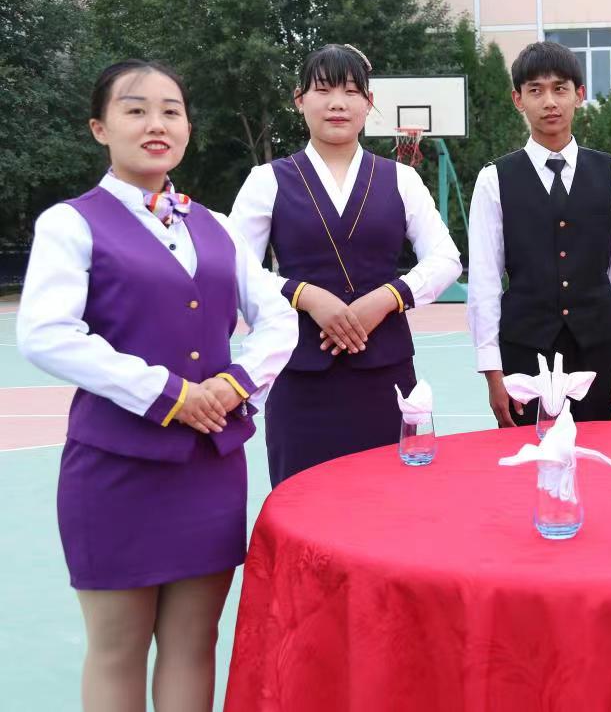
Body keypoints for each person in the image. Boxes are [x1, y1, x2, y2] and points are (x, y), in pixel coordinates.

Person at [16, 60, 298, 711]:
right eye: (135, 109)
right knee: (118, 648)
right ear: (100, 127)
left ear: (188, 128)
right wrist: (170, 393)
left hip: (210, 469)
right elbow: (46, 332)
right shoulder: (70, 224)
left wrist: (236, 383)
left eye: (171, 111)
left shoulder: (217, 226)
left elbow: (279, 317)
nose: (156, 124)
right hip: (116, 470)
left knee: (195, 642)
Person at [230, 44, 461, 485]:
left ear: (369, 103)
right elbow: (232, 265)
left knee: (390, 501)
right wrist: (304, 295)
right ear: (300, 99)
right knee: (302, 500)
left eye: (351, 91)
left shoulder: (401, 178)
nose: (337, 102)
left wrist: (388, 298)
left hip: (386, 376)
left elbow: (446, 258)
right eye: (323, 90)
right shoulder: (267, 180)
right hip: (299, 375)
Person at [467, 41, 611, 426]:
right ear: (518, 99)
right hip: (523, 350)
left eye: (560, 89)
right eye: (536, 90)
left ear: (579, 95)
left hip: (597, 349)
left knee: (598, 453)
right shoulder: (494, 179)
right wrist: (492, 370)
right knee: (528, 457)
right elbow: (484, 281)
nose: (549, 101)